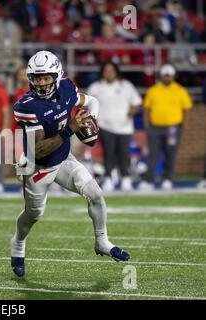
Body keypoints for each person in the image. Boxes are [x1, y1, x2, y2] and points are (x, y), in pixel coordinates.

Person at [10, 50, 130, 277]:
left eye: (46, 78)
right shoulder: (26, 106)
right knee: (34, 214)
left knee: (95, 193)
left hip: (64, 159)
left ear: (56, 76)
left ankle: (102, 241)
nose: (42, 83)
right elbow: (38, 149)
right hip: (38, 167)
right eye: (37, 78)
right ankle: (17, 244)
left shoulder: (66, 87)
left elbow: (91, 101)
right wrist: (70, 130)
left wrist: (91, 122)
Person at [87, 62, 142, 192]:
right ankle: (108, 178)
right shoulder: (96, 87)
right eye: (106, 70)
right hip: (104, 125)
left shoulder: (126, 86)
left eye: (111, 70)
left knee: (124, 154)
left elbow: (136, 102)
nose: (109, 73)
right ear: (102, 72)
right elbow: (88, 105)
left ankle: (125, 179)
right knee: (108, 154)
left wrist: (131, 112)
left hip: (124, 127)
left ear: (116, 71)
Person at [138, 64, 192, 191]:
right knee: (153, 154)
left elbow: (187, 110)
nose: (167, 77)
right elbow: (146, 109)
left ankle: (167, 179)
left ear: (173, 76)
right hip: (155, 127)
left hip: (173, 128)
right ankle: (148, 180)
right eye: (165, 75)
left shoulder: (180, 90)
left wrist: (184, 126)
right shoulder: (153, 90)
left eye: (169, 75)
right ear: (161, 76)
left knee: (170, 153)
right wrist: (147, 125)